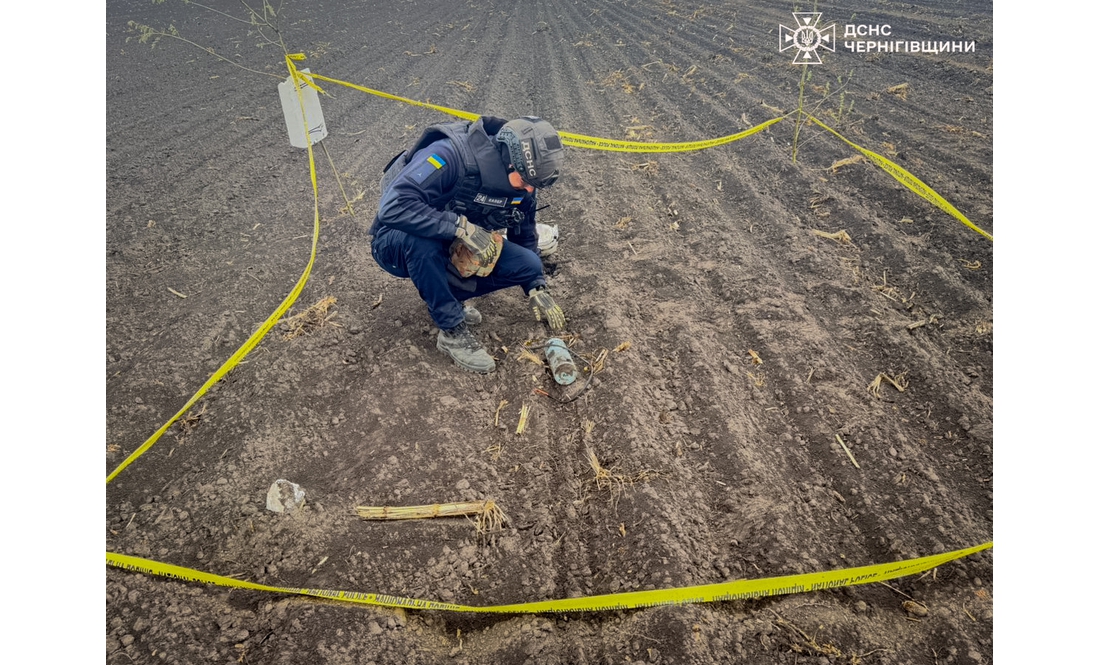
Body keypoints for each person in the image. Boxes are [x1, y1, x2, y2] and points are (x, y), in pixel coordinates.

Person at [370, 115, 567, 374]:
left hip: (450, 245)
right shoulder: (450, 156)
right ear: (509, 160)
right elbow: (394, 207)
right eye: (526, 182)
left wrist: (536, 286)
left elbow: (524, 233)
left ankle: (448, 297)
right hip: (395, 240)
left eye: (535, 185)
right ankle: (451, 330)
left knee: (528, 264)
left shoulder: (525, 182)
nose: (529, 191)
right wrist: (459, 226)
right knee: (422, 242)